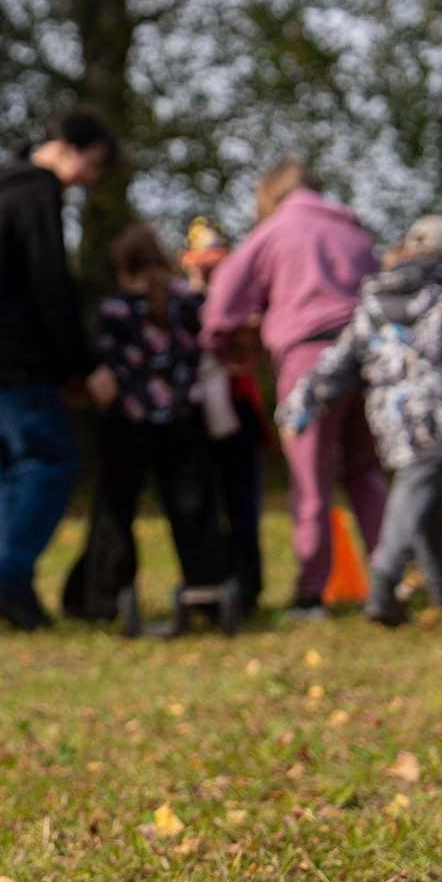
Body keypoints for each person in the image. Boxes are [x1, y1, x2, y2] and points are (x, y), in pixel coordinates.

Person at [279, 217, 442, 626]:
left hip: (390, 418)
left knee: (427, 493)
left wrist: (298, 406)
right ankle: (384, 584)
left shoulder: (375, 298)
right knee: (417, 488)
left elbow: (340, 360)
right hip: (438, 412)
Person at [0, 109, 117, 630]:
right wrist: (84, 367)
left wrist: (62, 373)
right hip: (6, 352)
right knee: (51, 459)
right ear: (66, 146)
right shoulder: (38, 192)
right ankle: (7, 585)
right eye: (92, 162)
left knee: (10, 466)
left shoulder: (4, 188)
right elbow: (50, 287)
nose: (91, 177)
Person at [199, 160, 388, 625]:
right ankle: (392, 575)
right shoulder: (354, 230)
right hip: (368, 357)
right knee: (365, 470)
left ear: (268, 196)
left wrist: (221, 344)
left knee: (311, 479)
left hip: (310, 361)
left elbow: (222, 303)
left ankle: (311, 594)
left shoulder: (275, 230)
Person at [60, 223, 235, 635]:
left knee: (115, 510)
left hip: (130, 423)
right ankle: (210, 591)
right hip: (183, 422)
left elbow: (106, 371)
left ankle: (101, 598)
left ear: (122, 266)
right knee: (194, 508)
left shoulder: (116, 311)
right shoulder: (187, 301)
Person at [180, 219, 266, 606]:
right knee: (202, 501)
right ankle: (211, 581)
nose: (210, 271)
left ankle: (248, 587)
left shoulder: (244, 300)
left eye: (217, 264)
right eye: (203, 264)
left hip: (239, 407)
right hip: (196, 414)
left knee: (242, 501)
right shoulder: (180, 302)